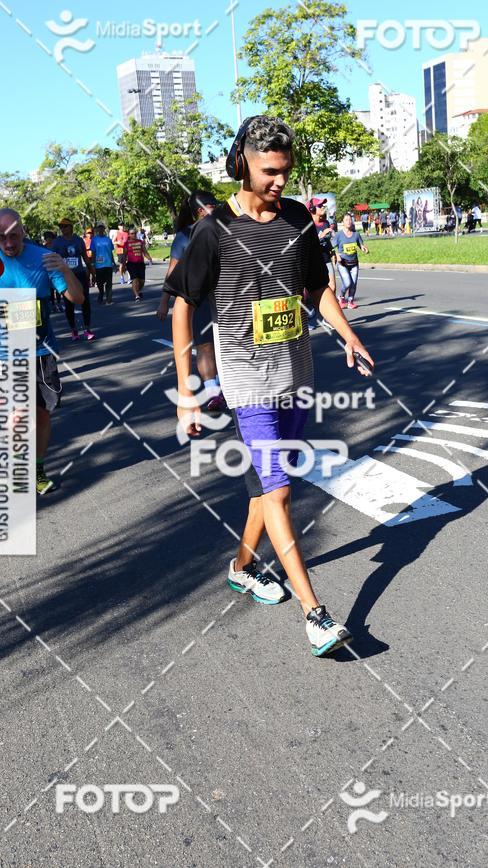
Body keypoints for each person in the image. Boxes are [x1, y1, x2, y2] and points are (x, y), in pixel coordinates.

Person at [165, 116, 375, 657]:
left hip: (297, 371)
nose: (280, 181)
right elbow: (184, 306)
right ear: (241, 165)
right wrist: (189, 388)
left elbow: (315, 288)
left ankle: (241, 567)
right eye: (269, 172)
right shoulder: (215, 231)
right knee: (279, 489)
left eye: (286, 171)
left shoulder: (299, 219)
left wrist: (347, 335)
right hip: (247, 379)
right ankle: (316, 614)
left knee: (267, 485)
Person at [0, 208, 84, 493]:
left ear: (23, 233)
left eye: (15, 236)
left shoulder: (42, 258)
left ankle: (37, 469)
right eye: (3, 237)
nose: (9, 243)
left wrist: (66, 270)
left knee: (42, 414)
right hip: (4, 353)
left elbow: (77, 298)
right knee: (18, 415)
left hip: (41, 352)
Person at [157, 191, 226, 410]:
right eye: (212, 205)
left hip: (226, 298)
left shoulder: (226, 229)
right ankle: (213, 392)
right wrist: (164, 301)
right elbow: (173, 271)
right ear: (200, 210)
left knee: (226, 344)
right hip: (200, 300)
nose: (217, 208)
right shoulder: (185, 236)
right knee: (205, 346)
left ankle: (235, 386)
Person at [52, 218, 95, 341]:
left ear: (71, 227)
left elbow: (85, 258)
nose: (63, 229)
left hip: (79, 274)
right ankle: (74, 330)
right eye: (61, 227)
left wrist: (92, 272)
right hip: (65, 276)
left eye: (65, 226)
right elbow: (53, 260)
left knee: (85, 301)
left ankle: (87, 329)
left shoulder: (78, 240)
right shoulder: (57, 242)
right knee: (69, 304)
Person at [332, 212, 368, 309]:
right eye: (346, 219)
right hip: (342, 263)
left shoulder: (356, 234)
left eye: (350, 219)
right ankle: (341, 296)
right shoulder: (339, 235)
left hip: (354, 263)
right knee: (347, 283)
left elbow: (360, 245)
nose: (349, 221)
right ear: (343, 222)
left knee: (354, 284)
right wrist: (336, 255)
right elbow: (330, 247)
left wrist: (364, 248)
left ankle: (350, 301)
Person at [306, 196, 336, 294]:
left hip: (326, 259)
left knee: (333, 287)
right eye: (319, 206)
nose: (323, 207)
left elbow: (327, 242)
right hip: (314, 261)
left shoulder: (326, 223)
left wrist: (332, 252)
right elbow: (307, 243)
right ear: (312, 209)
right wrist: (322, 235)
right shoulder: (308, 225)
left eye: (323, 205)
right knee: (316, 290)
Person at [124, 227, 151, 302]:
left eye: (135, 233)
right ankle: (137, 295)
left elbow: (144, 251)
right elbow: (124, 255)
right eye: (132, 233)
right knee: (135, 279)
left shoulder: (140, 242)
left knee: (142, 281)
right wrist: (123, 266)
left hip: (140, 263)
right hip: (131, 263)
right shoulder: (127, 243)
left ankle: (137, 290)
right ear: (129, 235)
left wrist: (149, 258)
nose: (134, 235)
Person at [90, 223, 115, 304]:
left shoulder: (108, 239)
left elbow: (111, 252)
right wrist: (93, 264)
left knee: (109, 282)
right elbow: (93, 252)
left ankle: (109, 299)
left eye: (102, 228)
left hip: (108, 264)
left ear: (104, 229)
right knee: (100, 282)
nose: (101, 229)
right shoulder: (94, 240)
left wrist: (114, 262)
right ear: (97, 230)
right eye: (99, 228)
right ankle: (101, 293)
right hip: (99, 264)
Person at [42, 231, 63, 312]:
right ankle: (53, 305)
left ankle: (59, 303)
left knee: (58, 288)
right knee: (50, 290)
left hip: (56, 270)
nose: (49, 240)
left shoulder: (56, 247)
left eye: (50, 238)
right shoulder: (43, 248)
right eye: (47, 238)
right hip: (47, 271)